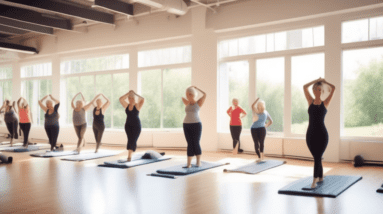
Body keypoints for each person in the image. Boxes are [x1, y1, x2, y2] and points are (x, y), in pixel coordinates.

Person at [303, 77, 335, 188]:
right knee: (317, 157)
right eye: (316, 89)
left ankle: (314, 181)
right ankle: (321, 177)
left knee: (317, 157)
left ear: (321, 91)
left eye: (320, 90)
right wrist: (316, 80)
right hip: (310, 134)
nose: (318, 91)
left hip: (322, 134)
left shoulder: (325, 102)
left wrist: (324, 82)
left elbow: (333, 88)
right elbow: (304, 87)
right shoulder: (310, 101)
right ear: (313, 91)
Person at [182, 86, 207, 168]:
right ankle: (188, 164)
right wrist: (188, 90)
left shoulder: (198, 103)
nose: (186, 96)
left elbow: (205, 94)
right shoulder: (187, 103)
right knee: (189, 143)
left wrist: (196, 88)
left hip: (196, 124)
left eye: (187, 94)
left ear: (191, 94)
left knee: (196, 143)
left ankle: (198, 162)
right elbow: (182, 98)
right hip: (186, 124)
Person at [119, 90, 144, 162]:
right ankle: (131, 153)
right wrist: (128, 93)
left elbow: (143, 99)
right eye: (129, 98)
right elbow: (121, 99)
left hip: (136, 126)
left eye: (132, 98)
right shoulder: (126, 105)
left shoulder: (137, 105)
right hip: (128, 125)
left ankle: (129, 157)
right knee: (130, 140)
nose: (131, 99)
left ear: (134, 99)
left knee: (133, 140)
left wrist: (134, 93)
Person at [251, 98, 273, 163]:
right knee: (256, 144)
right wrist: (256, 100)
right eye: (258, 105)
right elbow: (252, 106)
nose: (259, 106)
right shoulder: (256, 111)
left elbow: (271, 121)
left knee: (261, 143)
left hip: (262, 129)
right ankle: (259, 156)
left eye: (261, 105)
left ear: (263, 106)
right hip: (254, 129)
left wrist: (265, 126)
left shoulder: (266, 112)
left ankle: (262, 158)